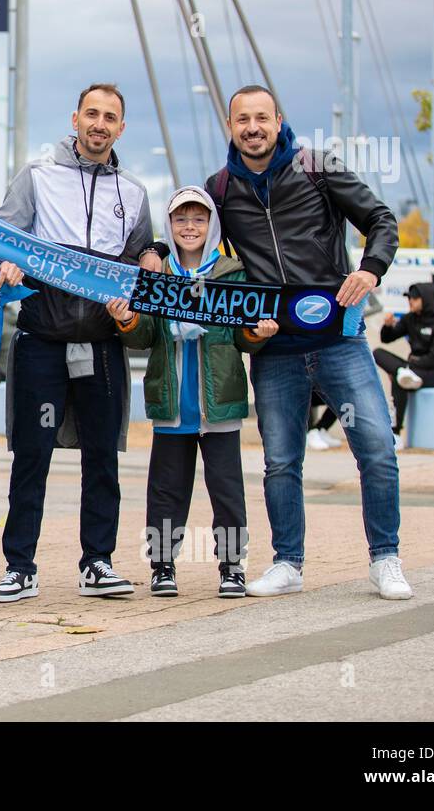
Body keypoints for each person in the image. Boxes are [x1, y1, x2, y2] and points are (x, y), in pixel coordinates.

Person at [206, 84, 411, 600]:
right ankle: (287, 563)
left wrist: (370, 269)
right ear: (230, 127)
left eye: (261, 117)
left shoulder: (318, 167)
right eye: (241, 120)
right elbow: (192, 234)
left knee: (378, 450)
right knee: (280, 462)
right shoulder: (221, 187)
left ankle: (385, 559)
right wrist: (155, 251)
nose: (252, 128)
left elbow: (381, 220)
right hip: (274, 349)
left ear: (278, 120)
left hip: (341, 339)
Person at [0, 83, 165, 603]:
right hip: (41, 340)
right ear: (75, 118)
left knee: (102, 457)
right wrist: (3, 264)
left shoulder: (135, 192)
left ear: (122, 128)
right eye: (92, 114)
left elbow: (141, 253)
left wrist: (156, 250)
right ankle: (19, 566)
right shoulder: (37, 176)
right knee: (31, 455)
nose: (100, 124)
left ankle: (97, 562)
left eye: (111, 118)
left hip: (102, 345)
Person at [109, 186, 277, 598]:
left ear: (212, 225)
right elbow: (144, 336)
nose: (189, 227)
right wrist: (127, 320)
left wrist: (258, 333)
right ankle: (162, 565)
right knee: (166, 490)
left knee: (227, 490)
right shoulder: (158, 276)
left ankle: (232, 566)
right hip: (172, 404)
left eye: (198, 219)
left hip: (219, 404)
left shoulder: (232, 273)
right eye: (181, 219)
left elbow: (242, 338)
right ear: (169, 225)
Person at [374, 282, 434, 449]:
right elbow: (387, 339)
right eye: (409, 298)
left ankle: (395, 433)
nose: (410, 301)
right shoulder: (410, 319)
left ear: (427, 299)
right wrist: (387, 326)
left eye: (415, 298)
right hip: (411, 370)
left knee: (400, 379)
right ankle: (402, 373)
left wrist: (409, 365)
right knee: (378, 353)